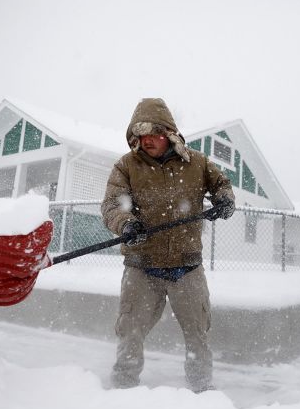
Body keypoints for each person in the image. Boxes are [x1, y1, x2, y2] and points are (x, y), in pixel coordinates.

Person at [101, 98, 235, 392]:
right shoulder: (126, 166)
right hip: (141, 266)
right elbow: (112, 205)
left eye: (153, 133)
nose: (146, 140)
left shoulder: (197, 163)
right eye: (140, 134)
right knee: (130, 331)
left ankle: (201, 389)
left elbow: (222, 184)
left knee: (198, 333)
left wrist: (224, 200)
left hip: (186, 267)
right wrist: (126, 223)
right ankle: (122, 387)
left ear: (169, 134)